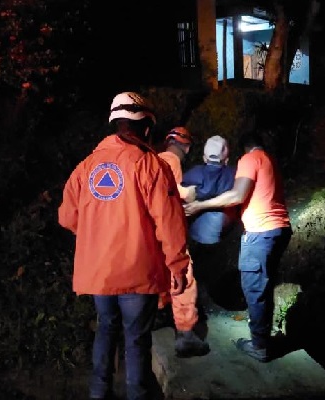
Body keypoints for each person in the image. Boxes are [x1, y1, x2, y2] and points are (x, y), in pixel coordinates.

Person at [58, 91, 190, 400]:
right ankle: (136, 394)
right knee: (136, 339)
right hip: (137, 273)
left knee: (106, 328)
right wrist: (178, 266)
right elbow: (169, 222)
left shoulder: (86, 167)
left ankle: (98, 392)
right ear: (146, 127)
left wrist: (94, 233)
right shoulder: (151, 166)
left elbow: (66, 217)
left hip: (100, 274)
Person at [184, 130, 292, 363]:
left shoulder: (248, 160)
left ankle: (259, 346)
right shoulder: (269, 160)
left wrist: (199, 206)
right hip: (279, 230)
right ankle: (261, 339)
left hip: (261, 232)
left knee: (254, 287)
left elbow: (237, 195)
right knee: (264, 285)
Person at [154, 126, 210, 358]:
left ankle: (154, 319)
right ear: (186, 147)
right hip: (167, 233)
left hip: (150, 234)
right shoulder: (171, 161)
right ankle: (186, 335)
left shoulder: (154, 159)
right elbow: (166, 192)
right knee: (184, 279)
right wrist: (187, 195)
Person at [182, 135, 238, 245]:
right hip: (218, 233)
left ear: (204, 158)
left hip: (193, 232)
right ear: (226, 160)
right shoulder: (234, 175)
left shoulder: (194, 173)